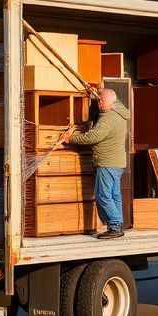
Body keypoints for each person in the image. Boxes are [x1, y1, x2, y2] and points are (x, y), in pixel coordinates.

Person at [60, 88, 130, 239]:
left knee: (103, 196)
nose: (99, 103)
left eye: (101, 101)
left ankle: (115, 225)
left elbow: (93, 137)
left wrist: (70, 139)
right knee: (114, 195)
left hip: (107, 162)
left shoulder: (108, 118)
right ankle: (117, 225)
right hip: (117, 163)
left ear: (111, 102)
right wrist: (94, 92)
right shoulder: (119, 111)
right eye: (98, 100)